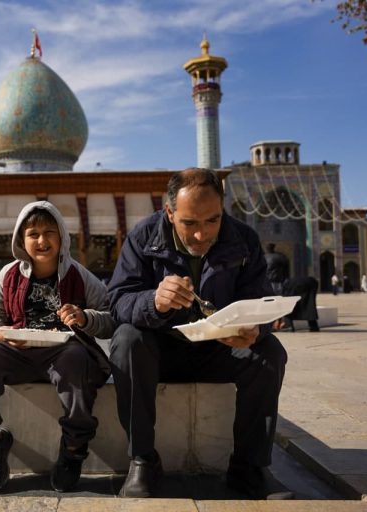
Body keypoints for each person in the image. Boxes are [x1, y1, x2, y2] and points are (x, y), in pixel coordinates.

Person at [107, 168, 291, 500]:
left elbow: (261, 300)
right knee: (126, 341)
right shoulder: (142, 236)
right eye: (189, 223)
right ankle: (143, 460)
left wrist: (253, 330)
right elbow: (117, 302)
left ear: (223, 210)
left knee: (269, 352)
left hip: (219, 350)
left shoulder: (243, 239)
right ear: (169, 212)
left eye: (212, 221)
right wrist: (153, 300)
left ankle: (249, 467)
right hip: (160, 352)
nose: (200, 235)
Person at [0, 201, 115, 494]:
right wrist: (0, 335)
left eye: (49, 232)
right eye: (33, 234)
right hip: (18, 351)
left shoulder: (79, 275)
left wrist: (84, 317)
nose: (42, 241)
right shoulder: (8, 275)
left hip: (63, 353)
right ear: (21, 239)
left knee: (77, 358)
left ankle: (72, 451)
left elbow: (111, 316)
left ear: (62, 238)